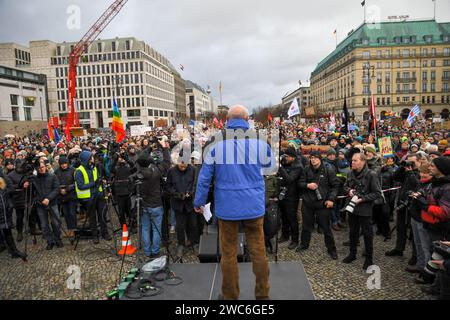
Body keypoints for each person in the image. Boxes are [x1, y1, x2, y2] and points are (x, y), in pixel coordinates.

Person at [194, 105, 273, 300]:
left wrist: (199, 201)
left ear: (227, 120)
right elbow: (269, 169)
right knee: (259, 252)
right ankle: (262, 295)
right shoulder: (261, 142)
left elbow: (204, 178)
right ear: (247, 119)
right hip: (254, 206)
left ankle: (230, 297)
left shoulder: (215, 143)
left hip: (228, 206)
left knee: (228, 254)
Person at [343, 152, 382, 270]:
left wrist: (363, 199)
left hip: (365, 209)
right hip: (352, 207)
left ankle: (369, 258)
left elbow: (377, 193)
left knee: (367, 234)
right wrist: (349, 191)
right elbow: (345, 186)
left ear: (363, 162)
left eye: (355, 160)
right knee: (353, 232)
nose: (352, 162)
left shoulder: (371, 174)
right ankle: (352, 254)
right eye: (352, 160)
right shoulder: (350, 172)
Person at [297, 151, 339, 260]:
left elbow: (335, 186)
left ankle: (332, 249)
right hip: (308, 203)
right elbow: (300, 183)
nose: (313, 160)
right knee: (306, 226)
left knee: (326, 228)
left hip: (322, 203)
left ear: (320, 159)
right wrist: (307, 185)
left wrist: (331, 199)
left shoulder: (328, 169)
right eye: (311, 158)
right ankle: (304, 244)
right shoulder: (306, 169)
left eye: (315, 158)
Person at [134, 139, 170, 259]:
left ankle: (147, 251)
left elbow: (141, 157)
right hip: (156, 204)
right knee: (156, 229)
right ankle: (155, 251)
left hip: (144, 204)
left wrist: (149, 148)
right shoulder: (155, 172)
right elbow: (166, 162)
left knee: (145, 228)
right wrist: (164, 148)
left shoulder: (138, 171)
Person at [386, 153, 421, 262]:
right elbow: (395, 177)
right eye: (408, 161)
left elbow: (417, 185)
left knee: (414, 233)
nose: (410, 164)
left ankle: (415, 256)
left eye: (412, 162)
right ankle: (399, 248)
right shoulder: (406, 171)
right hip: (402, 204)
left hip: (414, 206)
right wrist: (402, 166)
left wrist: (410, 172)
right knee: (400, 227)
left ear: (419, 162)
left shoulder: (422, 172)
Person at [75, 150, 111, 244]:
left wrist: (100, 182)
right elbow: (80, 186)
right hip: (89, 198)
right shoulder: (79, 171)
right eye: (91, 157)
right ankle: (95, 236)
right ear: (86, 159)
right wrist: (94, 183)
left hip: (99, 195)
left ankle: (105, 233)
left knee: (102, 215)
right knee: (92, 218)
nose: (93, 159)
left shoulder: (94, 168)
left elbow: (97, 179)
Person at [167, 160, 198, 257]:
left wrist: (191, 192)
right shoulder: (171, 171)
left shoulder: (193, 169)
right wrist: (176, 193)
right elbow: (168, 186)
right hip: (178, 203)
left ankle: (194, 243)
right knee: (180, 226)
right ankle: (181, 244)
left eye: (185, 163)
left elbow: (195, 184)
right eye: (181, 163)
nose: (183, 165)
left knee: (193, 224)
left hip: (190, 203)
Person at [32, 160, 63, 250]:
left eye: (42, 167)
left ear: (45, 167)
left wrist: (48, 198)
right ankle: (50, 241)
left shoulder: (52, 176)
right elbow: (32, 193)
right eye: (39, 168)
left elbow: (56, 189)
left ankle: (58, 238)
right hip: (40, 205)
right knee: (44, 225)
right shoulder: (34, 179)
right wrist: (39, 200)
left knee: (56, 222)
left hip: (52, 203)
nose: (41, 169)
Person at [278, 147, 303, 250]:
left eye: (287, 156)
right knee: (284, 217)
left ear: (293, 157)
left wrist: (279, 167)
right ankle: (285, 235)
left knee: (292, 219)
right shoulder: (287, 163)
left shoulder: (298, 167)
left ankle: (295, 240)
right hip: (283, 194)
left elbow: (289, 179)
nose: (286, 158)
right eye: (285, 156)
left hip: (292, 196)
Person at [0, 171, 27, 261]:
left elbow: (11, 188)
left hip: (4, 211)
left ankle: (14, 251)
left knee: (7, 232)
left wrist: (4, 192)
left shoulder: (3, 178)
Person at [54, 156, 77, 238]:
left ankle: (74, 229)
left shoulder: (73, 170)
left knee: (72, 213)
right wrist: (60, 189)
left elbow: (76, 183)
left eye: (65, 163)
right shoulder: (56, 172)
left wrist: (67, 189)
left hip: (71, 195)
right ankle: (69, 229)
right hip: (62, 196)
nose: (64, 165)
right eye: (62, 164)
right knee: (66, 214)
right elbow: (55, 183)